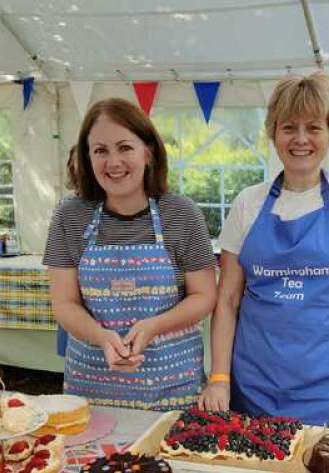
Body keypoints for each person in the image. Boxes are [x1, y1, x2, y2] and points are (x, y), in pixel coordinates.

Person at [199, 71, 329, 430]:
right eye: (289, 127)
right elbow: (227, 301)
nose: (301, 139)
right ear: (273, 132)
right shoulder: (247, 203)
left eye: (313, 127)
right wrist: (219, 377)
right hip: (252, 385)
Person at [43, 98, 216, 409]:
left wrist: (153, 327)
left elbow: (204, 296)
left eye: (125, 147)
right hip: (92, 387)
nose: (113, 162)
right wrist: (101, 336)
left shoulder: (182, 214)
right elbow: (64, 303)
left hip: (172, 389)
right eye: (100, 150)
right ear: (87, 157)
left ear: (148, 152)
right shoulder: (69, 216)